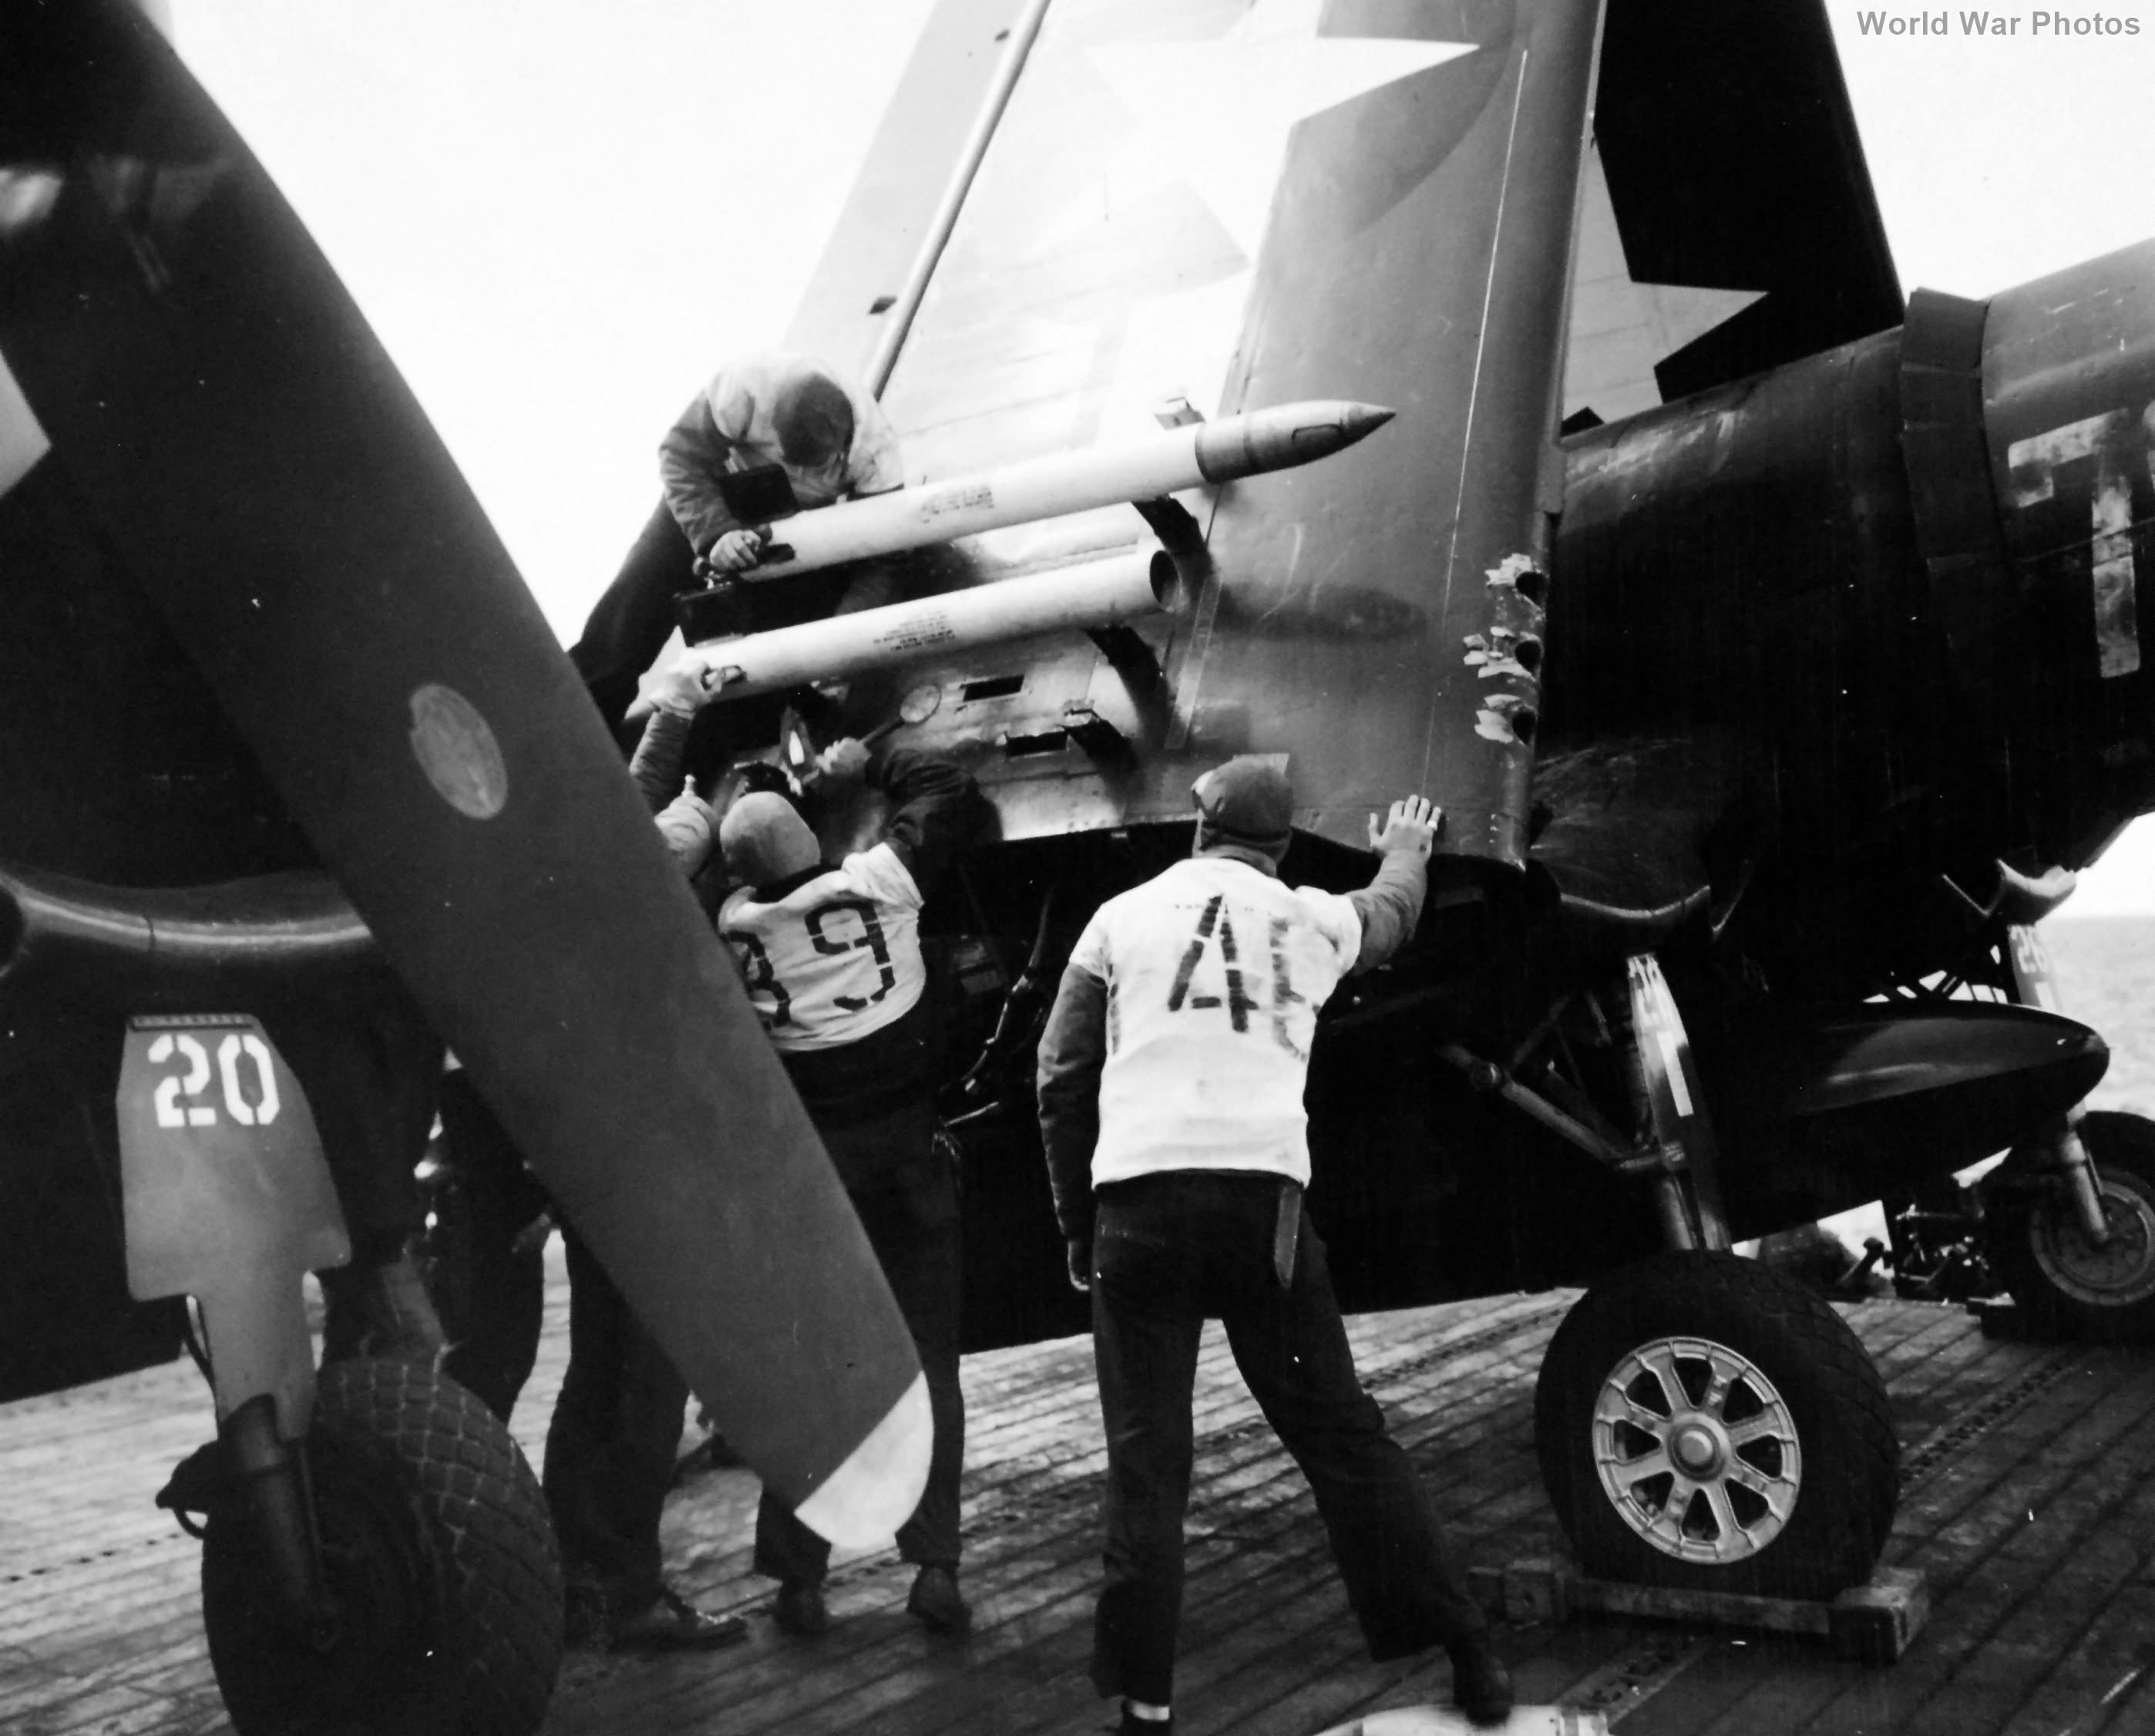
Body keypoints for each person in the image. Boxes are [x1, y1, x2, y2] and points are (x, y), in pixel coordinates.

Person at [1034, 759, 1515, 1734]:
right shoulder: (1306, 916)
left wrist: (1080, 1225)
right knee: (1344, 1436)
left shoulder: (1115, 920)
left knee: (1148, 1468)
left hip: (1139, 1214)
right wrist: (1407, 851)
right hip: (1264, 1218)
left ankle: (1148, 1707)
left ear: (1197, 828)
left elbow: (1059, 1072)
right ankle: (1471, 1655)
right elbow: (1391, 915)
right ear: (1282, 845)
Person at [635, 658, 980, 1640]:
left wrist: (724, 815)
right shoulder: (881, 881)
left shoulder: (733, 925)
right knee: (931, 1365)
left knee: (818, 1365)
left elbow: (709, 877)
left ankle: (798, 1578)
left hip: (816, 1181)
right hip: (910, 1164)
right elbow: (944, 790)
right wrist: (863, 767)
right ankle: (935, 1566)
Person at [570, 353, 905, 730]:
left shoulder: (876, 454)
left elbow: (884, 556)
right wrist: (715, 533)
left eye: (812, 467)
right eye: (788, 459)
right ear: (771, 421)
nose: (797, 472)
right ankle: (575, 723)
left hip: (791, 523)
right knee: (629, 618)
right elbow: (680, 456)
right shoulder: (745, 388)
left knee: (768, 654)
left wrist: (844, 634)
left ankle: (782, 707)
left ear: (844, 445)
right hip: (710, 499)